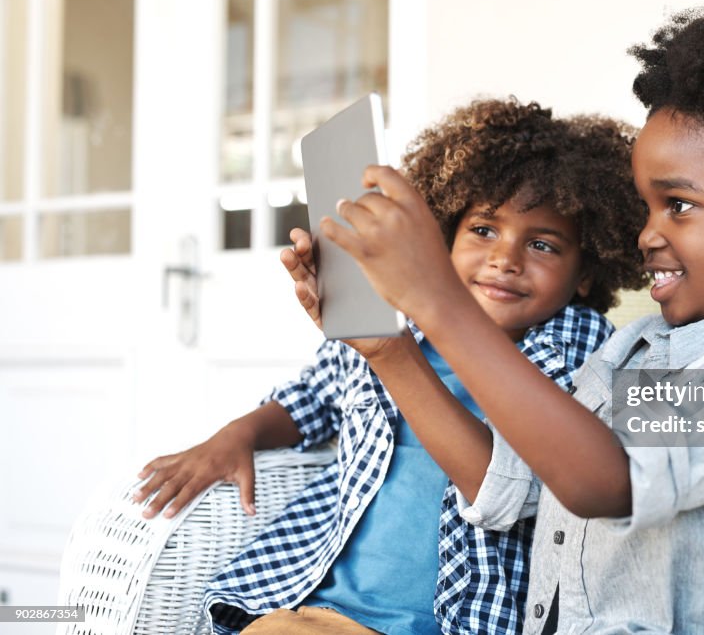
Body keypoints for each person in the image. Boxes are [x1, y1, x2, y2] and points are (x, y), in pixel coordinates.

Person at [317, 2, 704, 633]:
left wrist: (438, 299)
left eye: (678, 205)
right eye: (647, 207)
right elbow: (514, 489)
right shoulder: (631, 351)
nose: (647, 235)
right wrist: (390, 350)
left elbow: (609, 483)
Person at [131, 98, 648, 634]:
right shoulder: (396, 321)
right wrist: (238, 435)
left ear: (586, 273)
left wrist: (390, 353)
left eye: (541, 244)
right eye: (483, 231)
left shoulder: (580, 349)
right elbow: (312, 396)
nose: (505, 259)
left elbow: (500, 491)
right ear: (443, 239)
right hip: (312, 601)